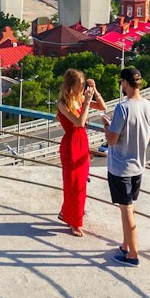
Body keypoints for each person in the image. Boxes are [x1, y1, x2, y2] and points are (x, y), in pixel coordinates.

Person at [104, 65, 150, 266]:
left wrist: (106, 126)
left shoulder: (123, 108)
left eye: (121, 82)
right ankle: (126, 245)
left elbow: (111, 140)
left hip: (120, 167)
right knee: (129, 207)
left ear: (125, 83)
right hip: (138, 165)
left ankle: (133, 255)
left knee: (126, 209)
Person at [56, 70, 107, 236]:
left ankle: (69, 213)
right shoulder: (63, 103)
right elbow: (79, 122)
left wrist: (95, 92)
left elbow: (103, 107)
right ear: (72, 85)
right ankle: (75, 222)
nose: (83, 87)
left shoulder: (81, 99)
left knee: (81, 183)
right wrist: (85, 105)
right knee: (72, 184)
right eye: (81, 84)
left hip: (82, 143)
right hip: (71, 145)